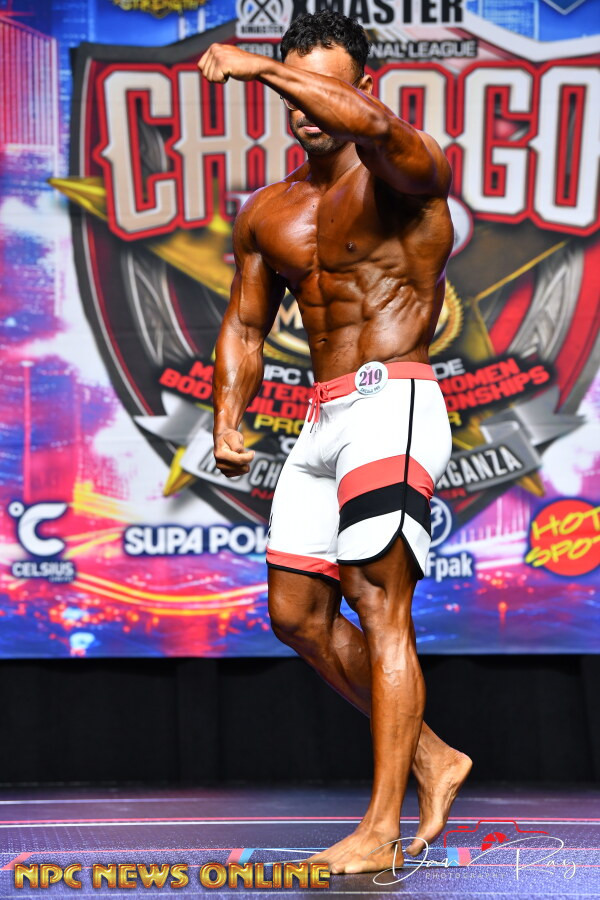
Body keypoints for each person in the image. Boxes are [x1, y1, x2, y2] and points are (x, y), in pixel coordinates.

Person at [199, 10, 472, 875]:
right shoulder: (270, 210)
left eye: (322, 87)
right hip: (319, 418)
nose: (305, 106)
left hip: (394, 401)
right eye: (294, 87)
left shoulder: (407, 171)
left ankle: (381, 826)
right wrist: (228, 415)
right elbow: (246, 324)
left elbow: (379, 131)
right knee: (297, 616)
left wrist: (257, 66)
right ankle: (434, 756)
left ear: (362, 88)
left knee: (378, 602)